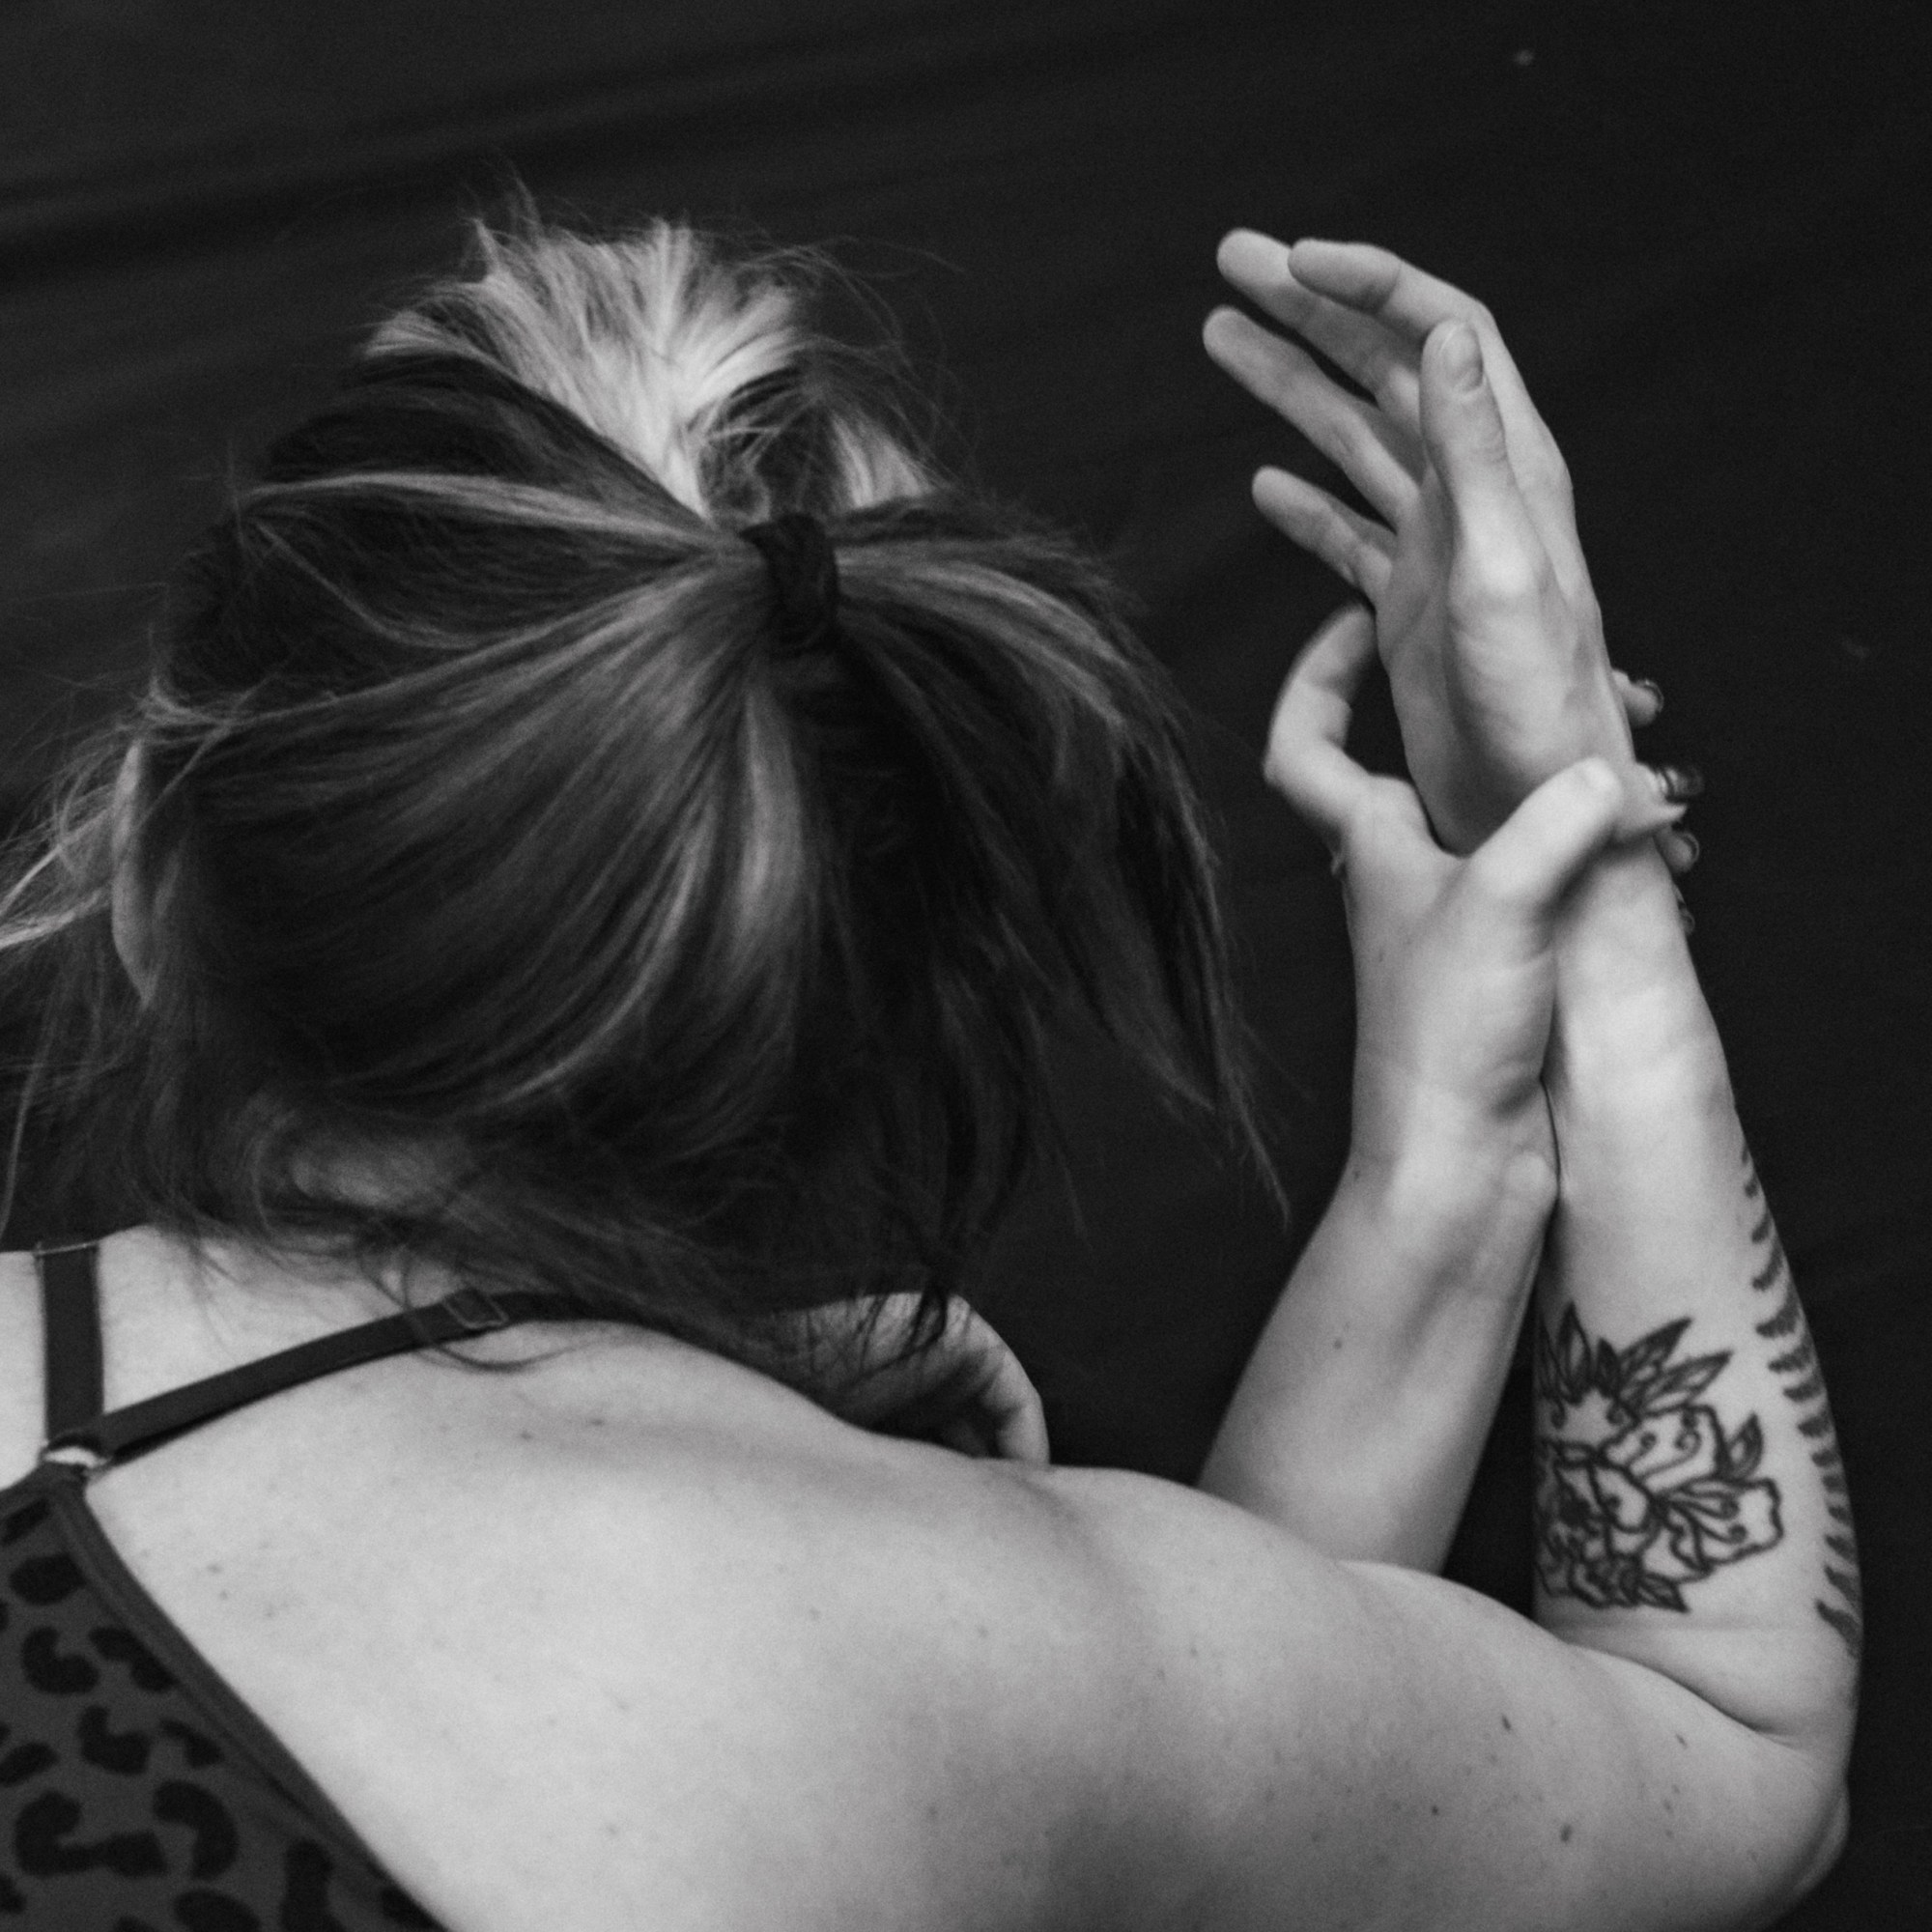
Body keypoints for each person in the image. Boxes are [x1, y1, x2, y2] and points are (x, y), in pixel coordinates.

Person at [0, 213, 1854, 1929]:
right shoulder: (928, 1660)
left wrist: (1444, 1183)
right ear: (876, 1013)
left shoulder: (975, 1657)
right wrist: (1585, 861)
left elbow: (1116, 1801)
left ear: (146, 866)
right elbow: (1727, 1739)